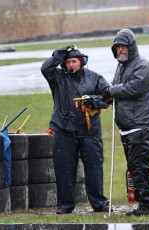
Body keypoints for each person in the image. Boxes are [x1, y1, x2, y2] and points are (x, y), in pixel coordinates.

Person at [41, 45, 111, 214]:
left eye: (74, 61)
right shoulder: (57, 77)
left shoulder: (95, 78)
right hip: (64, 129)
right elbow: (45, 68)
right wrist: (61, 53)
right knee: (64, 169)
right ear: (63, 64)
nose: (71, 65)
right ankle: (65, 205)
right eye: (68, 62)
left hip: (90, 131)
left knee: (94, 167)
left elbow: (108, 97)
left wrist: (93, 101)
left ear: (81, 62)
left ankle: (99, 203)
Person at [102, 28, 149, 216]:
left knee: (140, 166)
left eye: (123, 46)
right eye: (117, 47)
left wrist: (112, 91)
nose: (120, 50)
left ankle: (148, 205)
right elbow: (114, 89)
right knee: (135, 168)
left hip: (140, 126)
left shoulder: (142, 65)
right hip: (127, 127)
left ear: (131, 47)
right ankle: (144, 202)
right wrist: (103, 98)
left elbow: (132, 88)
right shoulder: (121, 67)